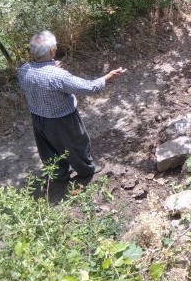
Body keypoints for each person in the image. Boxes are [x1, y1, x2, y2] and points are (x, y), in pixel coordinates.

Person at [18, 30, 127, 181]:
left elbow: (39, 77)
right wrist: (108, 77)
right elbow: (89, 87)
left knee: (48, 149)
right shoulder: (58, 75)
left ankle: (59, 176)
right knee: (77, 145)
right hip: (62, 119)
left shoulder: (24, 70)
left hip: (38, 118)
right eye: (55, 46)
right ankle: (87, 171)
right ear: (51, 51)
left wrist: (50, 66)